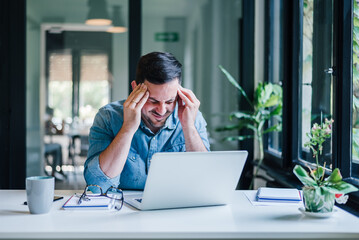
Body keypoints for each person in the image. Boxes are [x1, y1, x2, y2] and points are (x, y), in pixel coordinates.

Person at [84, 52, 210, 190]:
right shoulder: (108, 117)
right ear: (135, 88)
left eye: (170, 101)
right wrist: (127, 128)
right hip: (122, 208)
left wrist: (188, 127)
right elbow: (97, 185)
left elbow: (205, 179)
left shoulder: (192, 116)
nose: (161, 111)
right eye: (153, 101)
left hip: (175, 207)